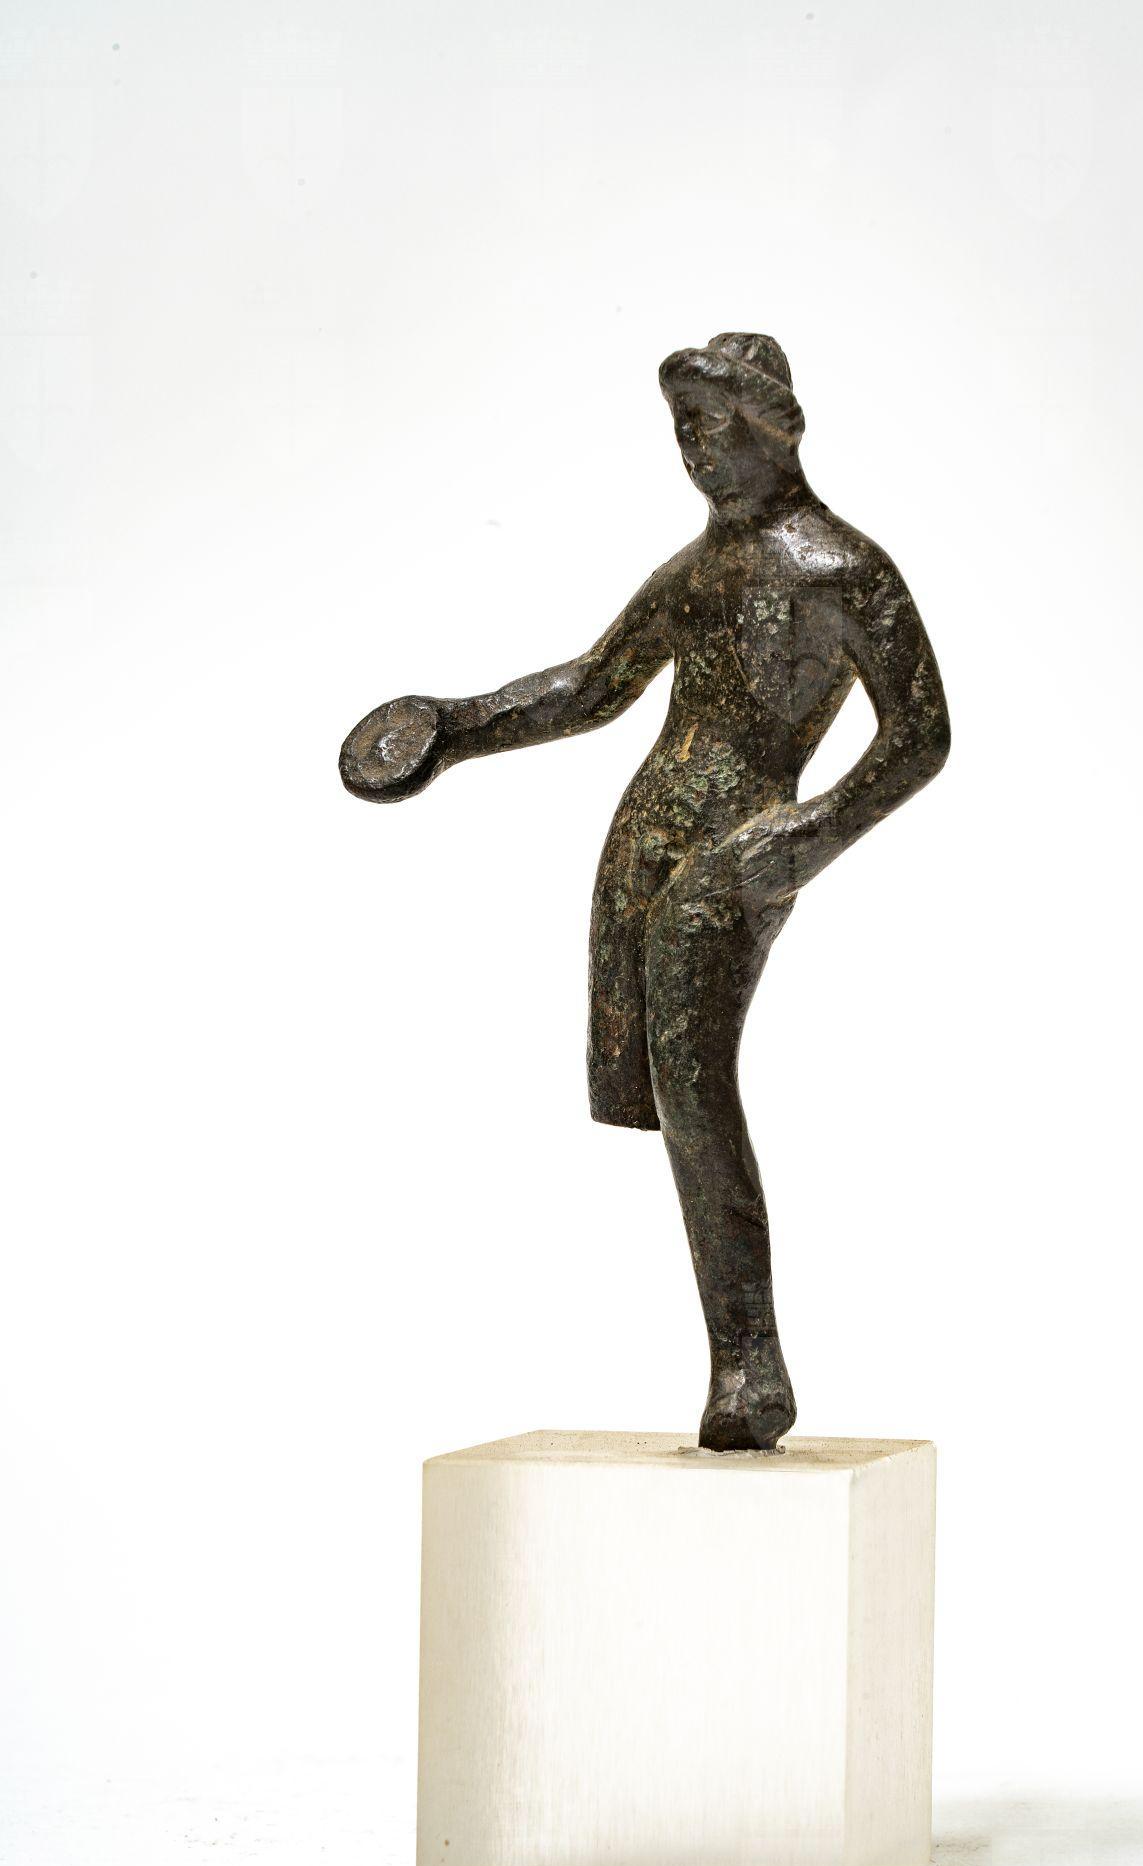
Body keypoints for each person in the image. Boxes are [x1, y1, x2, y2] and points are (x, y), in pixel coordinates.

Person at [340, 332, 950, 1450]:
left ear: (773, 431)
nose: (695, 453)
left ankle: (751, 1363)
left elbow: (920, 735)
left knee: (696, 1085)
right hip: (645, 835)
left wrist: (812, 831)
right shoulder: (698, 572)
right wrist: (455, 724)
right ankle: (743, 1357)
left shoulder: (841, 569)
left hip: (742, 845)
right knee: (662, 1087)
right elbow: (593, 685)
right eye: (681, 432)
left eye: (712, 429)